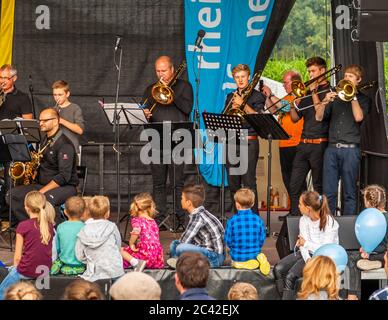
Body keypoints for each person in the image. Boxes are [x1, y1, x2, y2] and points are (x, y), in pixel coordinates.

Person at [141, 55, 193, 230]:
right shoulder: (150, 89)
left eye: (163, 70)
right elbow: (142, 111)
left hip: (179, 139)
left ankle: (180, 219)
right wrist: (144, 114)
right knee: (158, 183)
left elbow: (187, 109)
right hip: (156, 140)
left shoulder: (184, 87)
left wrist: (172, 94)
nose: (160, 74)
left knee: (177, 182)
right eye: (157, 71)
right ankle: (160, 218)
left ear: (172, 70)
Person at [315, 65, 371, 215]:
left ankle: (347, 229)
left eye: (351, 76)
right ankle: (328, 226)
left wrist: (352, 96)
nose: (347, 78)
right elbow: (318, 117)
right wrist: (325, 101)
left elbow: (359, 117)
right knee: (328, 192)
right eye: (345, 76)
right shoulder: (334, 98)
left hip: (351, 150)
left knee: (349, 193)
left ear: (358, 80)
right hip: (332, 149)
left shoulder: (364, 99)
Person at [10, 107, 78, 224]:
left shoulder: (65, 144)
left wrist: (41, 192)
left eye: (45, 120)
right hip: (42, 184)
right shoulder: (45, 139)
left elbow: (64, 176)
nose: (41, 123)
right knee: (12, 195)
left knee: (45, 200)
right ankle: (34, 228)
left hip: (64, 187)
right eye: (40, 120)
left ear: (56, 121)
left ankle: (52, 232)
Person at [273, 190, 339, 300]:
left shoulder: (330, 222)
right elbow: (302, 245)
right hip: (307, 255)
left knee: (290, 276)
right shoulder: (303, 220)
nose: (298, 206)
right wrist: (308, 259)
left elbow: (325, 249)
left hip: (323, 258)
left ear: (308, 208)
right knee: (278, 269)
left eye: (300, 204)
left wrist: (306, 243)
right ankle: (284, 297)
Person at [288, 57, 330, 216]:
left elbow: (321, 115)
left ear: (322, 71)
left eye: (313, 71)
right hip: (303, 144)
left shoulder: (329, 91)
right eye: (309, 71)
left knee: (318, 186)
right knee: (294, 185)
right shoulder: (305, 92)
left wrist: (313, 91)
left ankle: (319, 220)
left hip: (319, 144)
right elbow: (294, 118)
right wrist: (293, 102)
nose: (310, 74)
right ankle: (296, 219)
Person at [223, 64, 267, 213]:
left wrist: (243, 105)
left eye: (243, 77)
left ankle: (253, 219)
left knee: (248, 183)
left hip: (249, 141)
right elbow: (225, 118)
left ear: (248, 77)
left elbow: (259, 119)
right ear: (234, 79)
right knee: (233, 183)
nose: (240, 80)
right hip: (232, 142)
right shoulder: (230, 96)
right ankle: (237, 218)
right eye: (237, 77)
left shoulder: (257, 96)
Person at [0, 191, 54, 300]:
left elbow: (17, 257)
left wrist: (16, 270)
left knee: (3, 291)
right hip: (45, 269)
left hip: (27, 270)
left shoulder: (23, 226)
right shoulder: (50, 225)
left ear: (26, 207)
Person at [266, 70, 305, 200]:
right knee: (287, 179)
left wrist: (271, 94)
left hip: (296, 144)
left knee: (297, 181)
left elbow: (287, 107)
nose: (283, 85)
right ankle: (294, 207)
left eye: (285, 83)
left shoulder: (300, 96)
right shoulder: (286, 97)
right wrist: (267, 96)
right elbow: (272, 109)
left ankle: (300, 208)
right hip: (284, 144)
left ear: (295, 83)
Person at [167, 183, 224, 268]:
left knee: (180, 248)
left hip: (214, 258)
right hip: (207, 251)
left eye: (182, 198)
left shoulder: (198, 218)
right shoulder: (199, 213)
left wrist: (178, 248)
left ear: (189, 203)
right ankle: (176, 261)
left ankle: (177, 262)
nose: (181, 201)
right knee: (174, 243)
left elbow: (184, 241)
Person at [346, 185, 388, 300]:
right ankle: (380, 262)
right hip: (383, 255)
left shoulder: (368, 217)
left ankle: (353, 295)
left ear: (369, 202)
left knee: (351, 258)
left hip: (378, 254)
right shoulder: (386, 216)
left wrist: (367, 252)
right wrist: (365, 248)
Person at [75, 196, 124, 282]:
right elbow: (118, 246)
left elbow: (79, 255)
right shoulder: (112, 227)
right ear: (107, 213)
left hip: (94, 273)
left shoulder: (83, 230)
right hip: (115, 270)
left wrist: (91, 260)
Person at [224, 188, 270, 274]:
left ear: (237, 204)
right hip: (254, 255)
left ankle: (240, 264)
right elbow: (261, 239)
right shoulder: (258, 220)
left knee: (235, 261)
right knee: (256, 254)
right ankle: (259, 260)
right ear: (252, 204)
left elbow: (227, 240)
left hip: (237, 256)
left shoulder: (232, 220)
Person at [121, 193, 164, 271]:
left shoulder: (137, 220)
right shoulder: (153, 221)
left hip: (144, 255)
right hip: (156, 257)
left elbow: (136, 232)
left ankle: (136, 263)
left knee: (120, 250)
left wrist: (131, 244)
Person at [51, 196, 86, 275]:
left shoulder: (60, 227)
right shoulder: (85, 227)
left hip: (65, 260)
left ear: (65, 212)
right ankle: (78, 270)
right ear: (83, 213)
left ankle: (60, 268)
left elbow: (58, 248)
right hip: (81, 262)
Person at [52, 80, 85, 157]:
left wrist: (61, 121)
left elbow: (80, 130)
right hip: (55, 148)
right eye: (55, 95)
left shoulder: (75, 108)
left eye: (60, 95)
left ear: (67, 94)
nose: (57, 98)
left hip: (71, 148)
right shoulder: (53, 110)